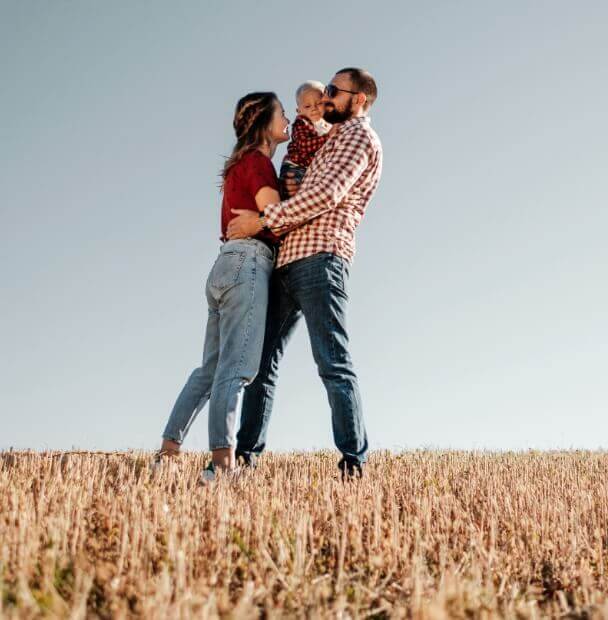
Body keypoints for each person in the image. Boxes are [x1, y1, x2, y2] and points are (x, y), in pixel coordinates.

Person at [226, 68, 383, 478]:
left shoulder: (358, 137)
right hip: (287, 258)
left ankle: (353, 462)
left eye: (334, 91)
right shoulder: (326, 137)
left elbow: (325, 195)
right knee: (261, 363)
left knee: (332, 360)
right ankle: (246, 457)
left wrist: (260, 222)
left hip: (320, 256)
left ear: (360, 100)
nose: (326, 96)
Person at [154, 92, 290, 482]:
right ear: (265, 121)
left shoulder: (238, 165)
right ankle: (222, 464)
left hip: (223, 266)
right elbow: (275, 217)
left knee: (209, 369)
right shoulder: (259, 163)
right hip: (248, 264)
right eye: (282, 112)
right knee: (238, 368)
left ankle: (167, 453)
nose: (289, 118)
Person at [279, 81, 331, 197]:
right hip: (295, 166)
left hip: (309, 168)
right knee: (294, 195)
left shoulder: (327, 124)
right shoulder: (301, 123)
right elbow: (304, 145)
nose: (314, 108)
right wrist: (328, 137)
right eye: (307, 106)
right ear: (299, 111)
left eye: (318, 103)